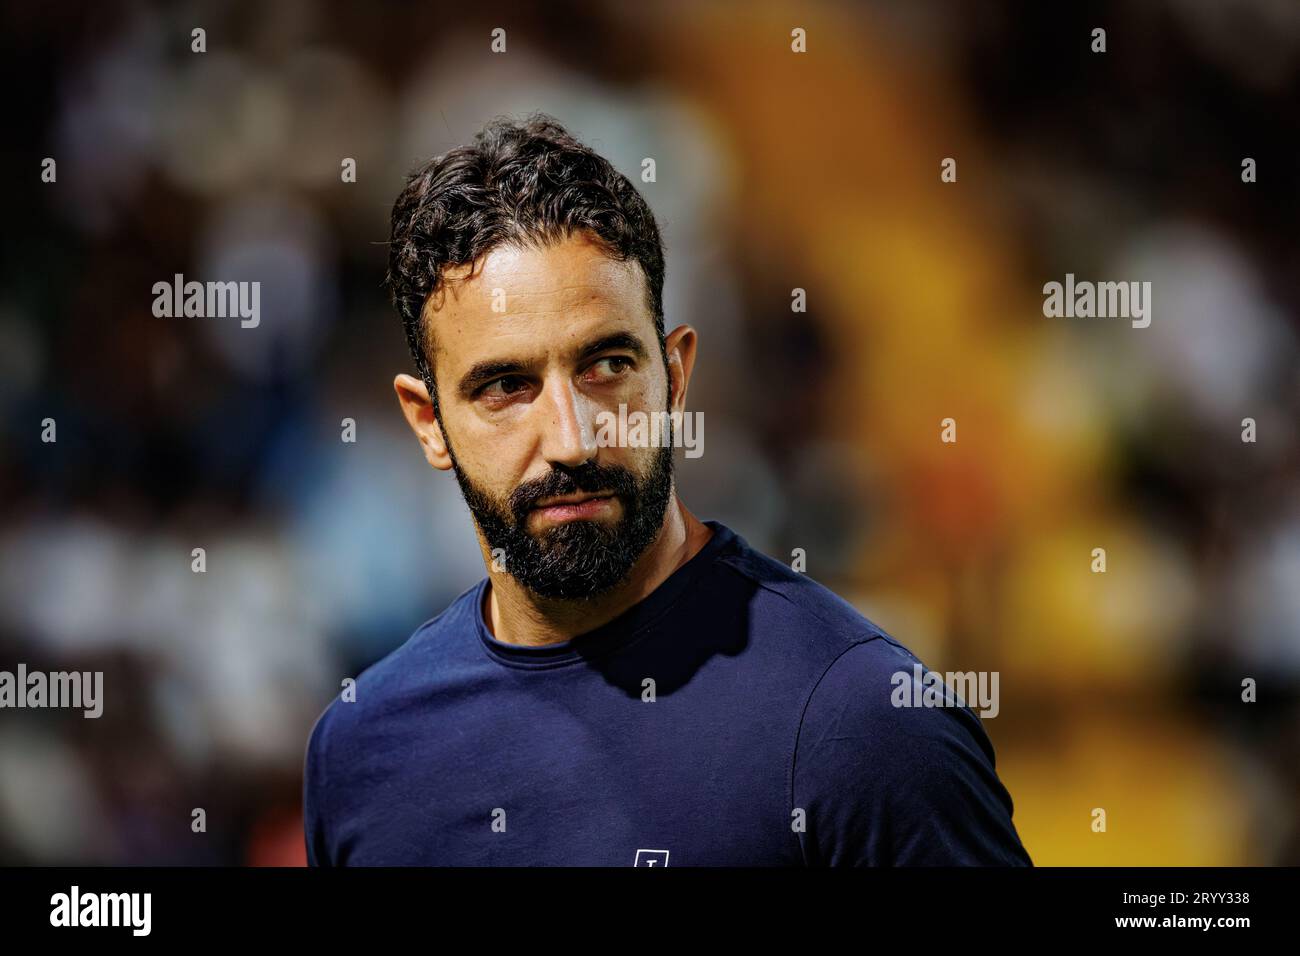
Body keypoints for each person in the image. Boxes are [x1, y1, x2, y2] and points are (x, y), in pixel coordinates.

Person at [302, 113, 1032, 866]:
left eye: (607, 366)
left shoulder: (865, 725)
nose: (573, 440)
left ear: (674, 378)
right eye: (505, 386)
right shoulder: (363, 754)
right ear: (427, 423)